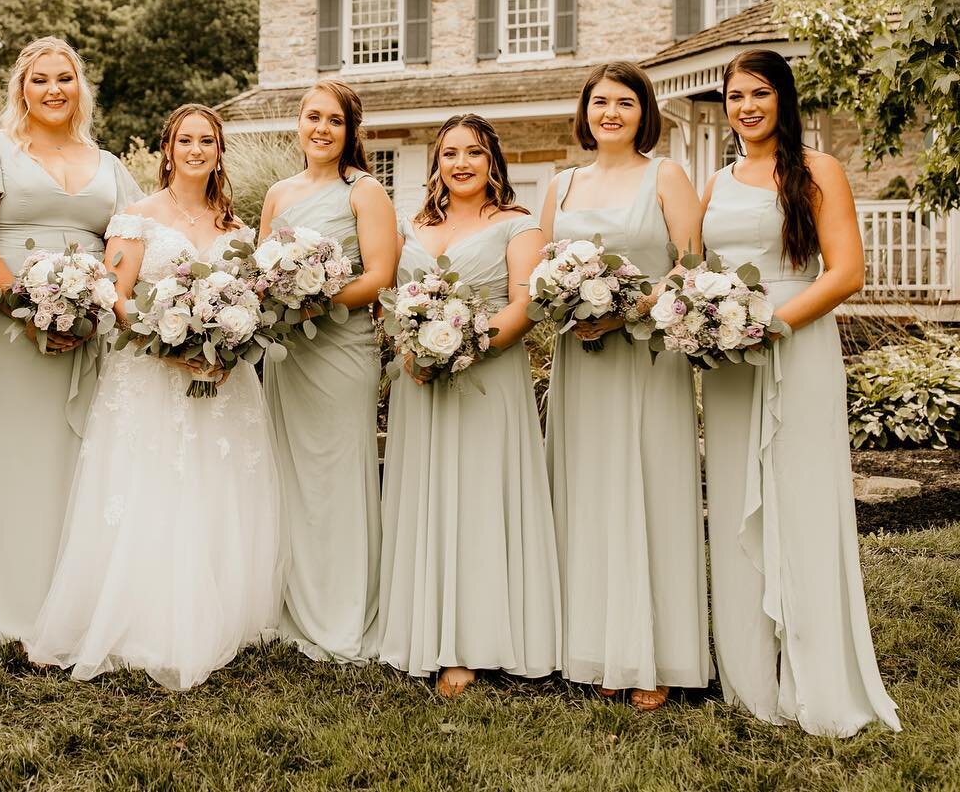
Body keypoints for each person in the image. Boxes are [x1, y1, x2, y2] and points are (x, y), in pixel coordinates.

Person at [25, 104, 284, 690]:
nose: (196, 150)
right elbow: (115, 295)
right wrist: (163, 340)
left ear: (220, 151)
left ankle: (215, 614)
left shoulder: (237, 233)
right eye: (185, 140)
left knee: (211, 487)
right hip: (148, 371)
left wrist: (227, 341)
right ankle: (139, 619)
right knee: (151, 487)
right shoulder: (135, 218)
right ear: (168, 150)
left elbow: (250, 301)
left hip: (221, 378)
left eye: (207, 141)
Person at [700, 49, 900, 736]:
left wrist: (771, 323)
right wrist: (700, 317)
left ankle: (817, 675)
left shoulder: (818, 171)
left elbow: (847, 273)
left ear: (782, 99)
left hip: (796, 342)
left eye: (759, 93)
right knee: (734, 504)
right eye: (735, 96)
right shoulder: (716, 181)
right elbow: (697, 266)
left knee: (803, 495)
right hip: (729, 354)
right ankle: (750, 676)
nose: (746, 106)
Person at [0, 36, 141, 646]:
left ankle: (70, 606)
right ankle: (5, 611)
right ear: (21, 90)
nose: (54, 89)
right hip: (5, 323)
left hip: (86, 328)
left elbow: (129, 240)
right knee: (9, 456)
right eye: (40, 79)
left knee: (76, 458)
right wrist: (27, 309)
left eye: (65, 78)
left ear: (80, 88)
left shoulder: (109, 164)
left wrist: (94, 304)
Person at [539, 61, 711, 709]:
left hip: (645, 360)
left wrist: (626, 310)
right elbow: (540, 274)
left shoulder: (665, 174)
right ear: (585, 111)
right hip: (580, 361)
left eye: (625, 102)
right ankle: (597, 646)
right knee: (589, 496)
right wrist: (567, 307)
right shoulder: (561, 184)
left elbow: (691, 263)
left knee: (650, 491)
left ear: (644, 112)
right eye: (601, 101)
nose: (611, 112)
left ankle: (655, 654)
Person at [376, 114, 561, 697]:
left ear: (493, 163)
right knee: (426, 493)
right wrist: (412, 345)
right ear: (436, 163)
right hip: (419, 382)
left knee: (479, 498)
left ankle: (469, 643)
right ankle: (419, 627)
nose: (461, 164)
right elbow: (392, 299)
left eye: (474, 153)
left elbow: (525, 306)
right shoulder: (411, 227)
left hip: (485, 380)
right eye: (450, 153)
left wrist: (459, 349)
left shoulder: (518, 225)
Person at [258, 79, 397, 663]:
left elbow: (380, 275)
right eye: (312, 117)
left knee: (339, 477)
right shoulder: (278, 194)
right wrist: (278, 300)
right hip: (290, 354)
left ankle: (343, 612)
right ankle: (292, 603)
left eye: (334, 120)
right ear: (298, 122)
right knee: (289, 477)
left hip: (341, 349)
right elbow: (261, 271)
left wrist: (320, 299)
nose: (321, 129)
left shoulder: (364, 191)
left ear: (349, 130)